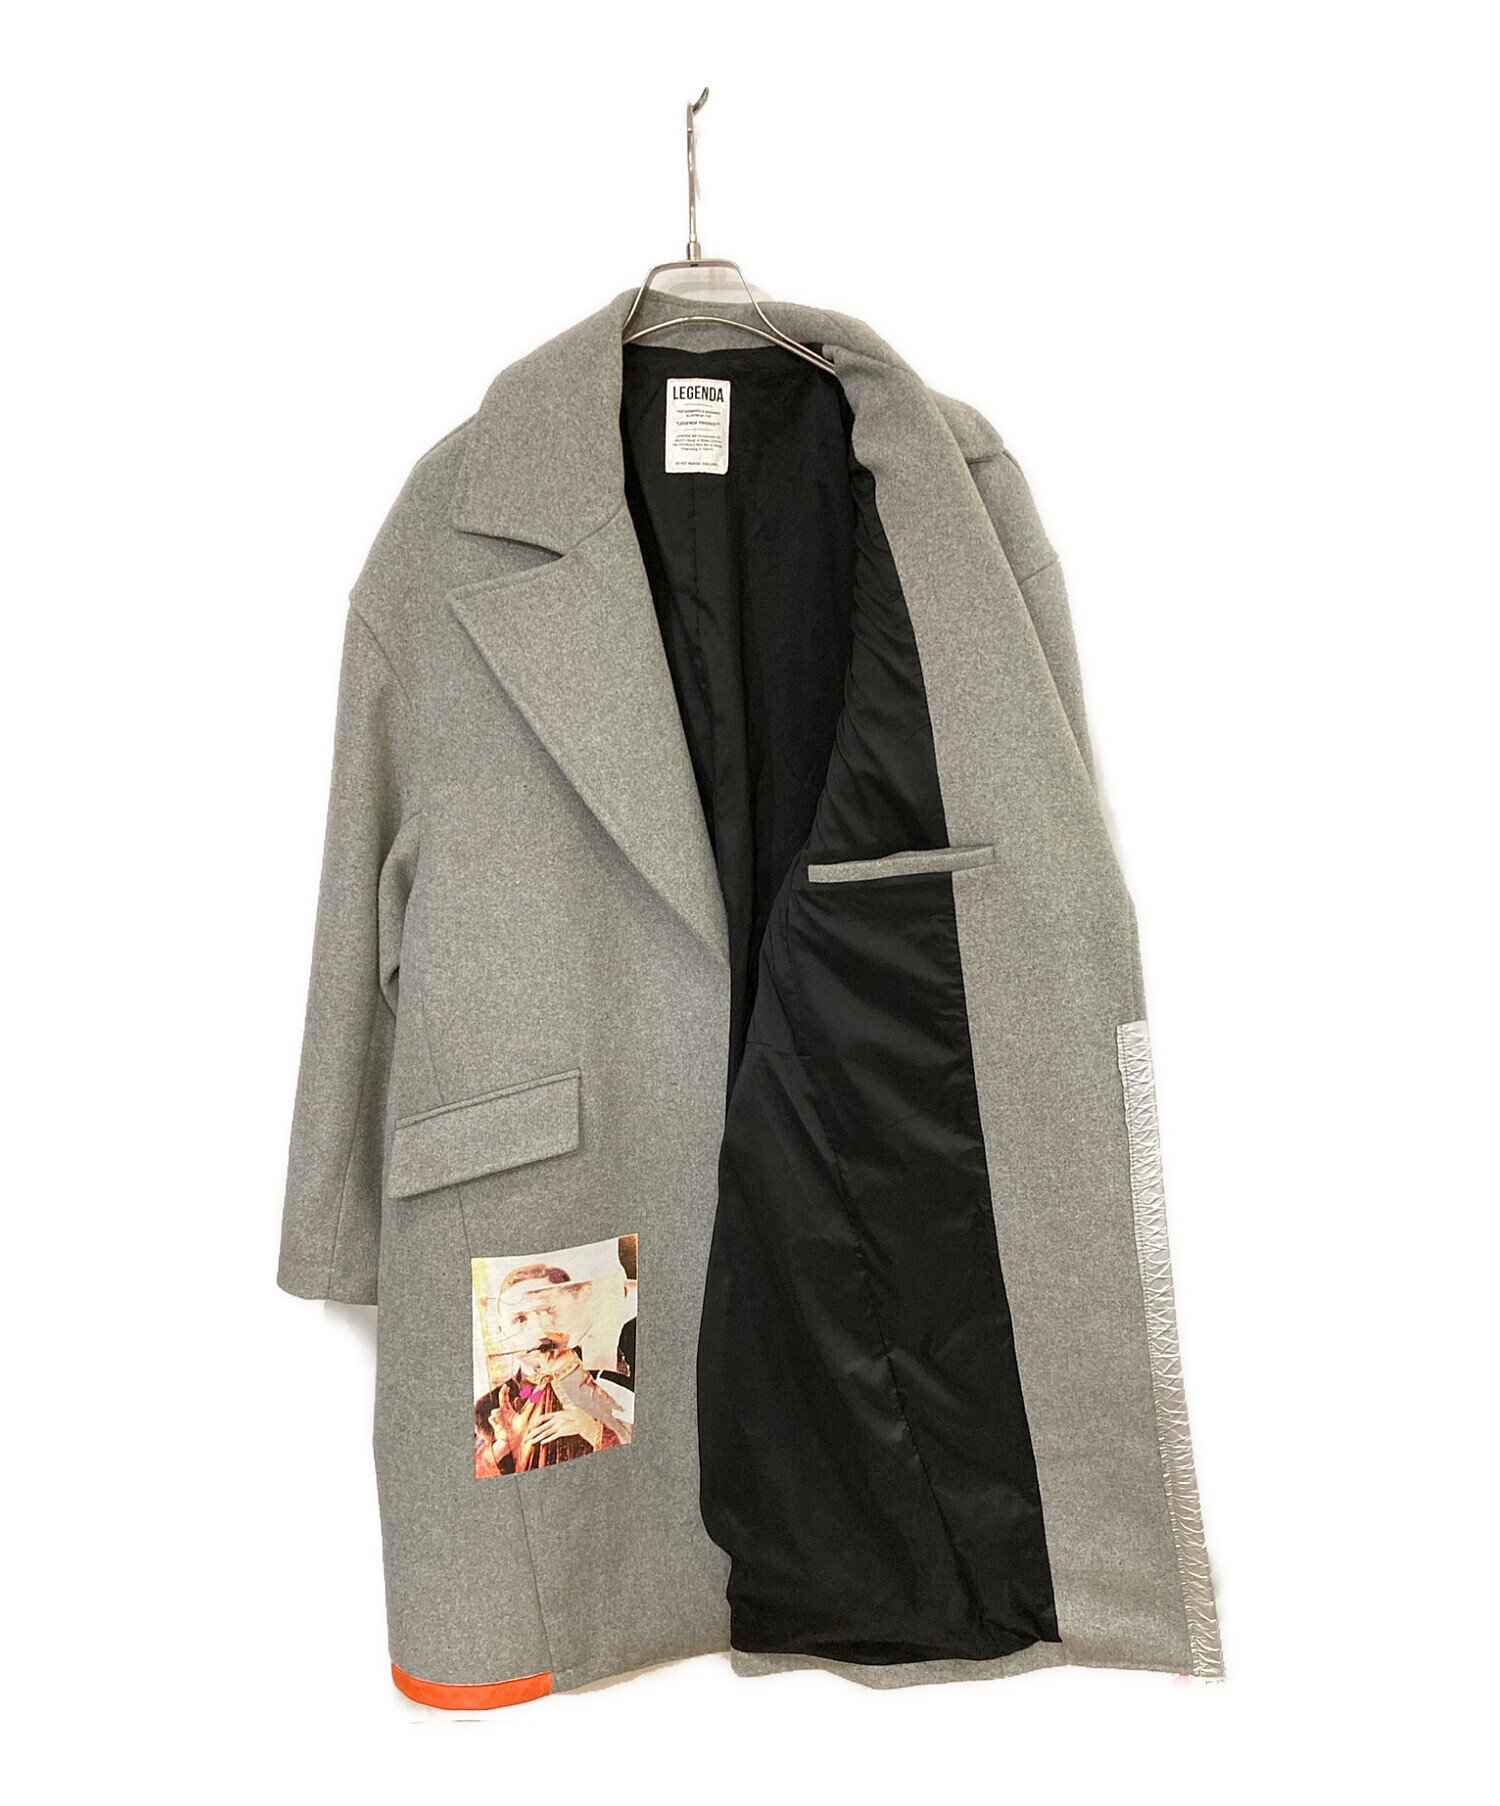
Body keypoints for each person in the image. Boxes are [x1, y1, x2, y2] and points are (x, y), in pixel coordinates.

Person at [473, 1260, 635, 1477]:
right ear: (502, 1331)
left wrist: (591, 1429)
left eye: (548, 1310)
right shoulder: (488, 1408)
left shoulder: (607, 1380)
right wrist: (505, 1445)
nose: (538, 1328)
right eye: (520, 1319)